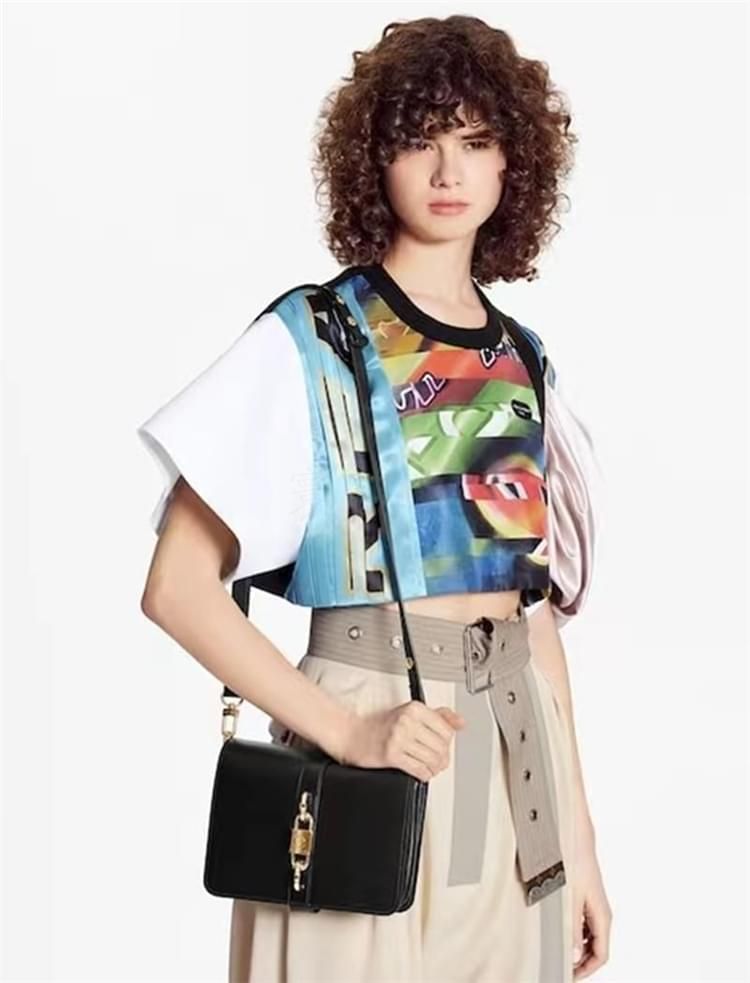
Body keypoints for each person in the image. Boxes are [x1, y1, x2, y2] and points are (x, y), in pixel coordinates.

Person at [138, 14, 612, 983]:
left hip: (516, 762)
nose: (448, 169)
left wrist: (583, 845)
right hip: (367, 742)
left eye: (475, 140)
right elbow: (176, 587)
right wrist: (347, 729)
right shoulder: (313, 337)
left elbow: (533, 618)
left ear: (512, 163)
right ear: (374, 158)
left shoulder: (522, 362)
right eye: (419, 138)